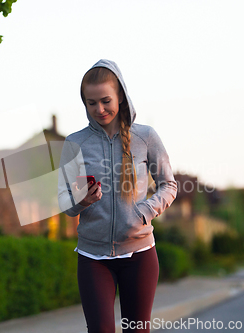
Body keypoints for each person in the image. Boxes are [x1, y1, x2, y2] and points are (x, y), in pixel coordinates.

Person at [57, 59, 177, 333]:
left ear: (120, 96)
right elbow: (64, 200)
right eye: (91, 103)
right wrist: (81, 201)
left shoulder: (145, 137)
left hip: (140, 254)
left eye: (105, 100)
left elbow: (169, 185)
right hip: (92, 256)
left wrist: (143, 212)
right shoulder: (75, 143)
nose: (99, 109)